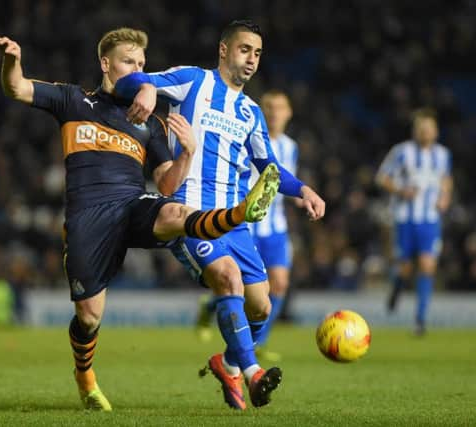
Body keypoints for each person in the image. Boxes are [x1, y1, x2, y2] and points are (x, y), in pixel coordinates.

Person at [0, 27, 281, 411]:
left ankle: (238, 214)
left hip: (133, 205)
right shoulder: (73, 100)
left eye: (142, 64)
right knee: (90, 318)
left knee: (177, 210)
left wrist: (187, 154)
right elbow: (17, 88)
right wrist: (12, 61)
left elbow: (166, 184)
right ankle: (85, 376)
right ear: (106, 63)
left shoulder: (149, 122)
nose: (138, 69)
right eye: (129, 61)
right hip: (89, 216)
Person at [115, 20, 325, 409]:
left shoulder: (250, 111)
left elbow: (269, 166)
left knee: (261, 305)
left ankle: (227, 362)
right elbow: (128, 82)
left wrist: (304, 190)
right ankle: (252, 374)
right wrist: (144, 86)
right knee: (228, 279)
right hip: (189, 215)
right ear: (224, 50)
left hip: (235, 224)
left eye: (258, 53)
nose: (252, 59)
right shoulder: (192, 81)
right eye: (245, 49)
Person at [195, 89, 302, 362]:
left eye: (280, 108)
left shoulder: (291, 147)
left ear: (288, 113)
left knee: (279, 284)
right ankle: (211, 306)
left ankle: (258, 342)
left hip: (276, 227)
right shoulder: (246, 138)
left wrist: (299, 196)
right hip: (246, 224)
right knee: (244, 287)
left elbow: (279, 180)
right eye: (269, 107)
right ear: (262, 112)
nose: (275, 113)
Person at [376, 108, 453, 336]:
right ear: (415, 131)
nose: (425, 133)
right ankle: (398, 286)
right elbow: (382, 178)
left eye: (429, 129)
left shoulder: (443, 154)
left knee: (428, 266)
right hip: (405, 219)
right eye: (421, 129)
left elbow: (446, 179)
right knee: (405, 269)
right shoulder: (402, 152)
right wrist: (400, 190)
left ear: (436, 131)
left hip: (430, 220)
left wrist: (445, 197)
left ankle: (420, 320)